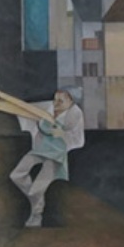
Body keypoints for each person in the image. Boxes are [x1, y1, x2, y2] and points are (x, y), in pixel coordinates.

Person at [11, 90, 86, 227]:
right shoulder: (48, 107)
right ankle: (34, 197)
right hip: (40, 149)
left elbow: (79, 140)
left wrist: (62, 134)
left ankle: (36, 216)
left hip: (56, 155)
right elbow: (22, 106)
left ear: (71, 102)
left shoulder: (75, 114)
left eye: (60, 101)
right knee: (16, 175)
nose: (56, 103)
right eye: (55, 99)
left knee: (38, 187)